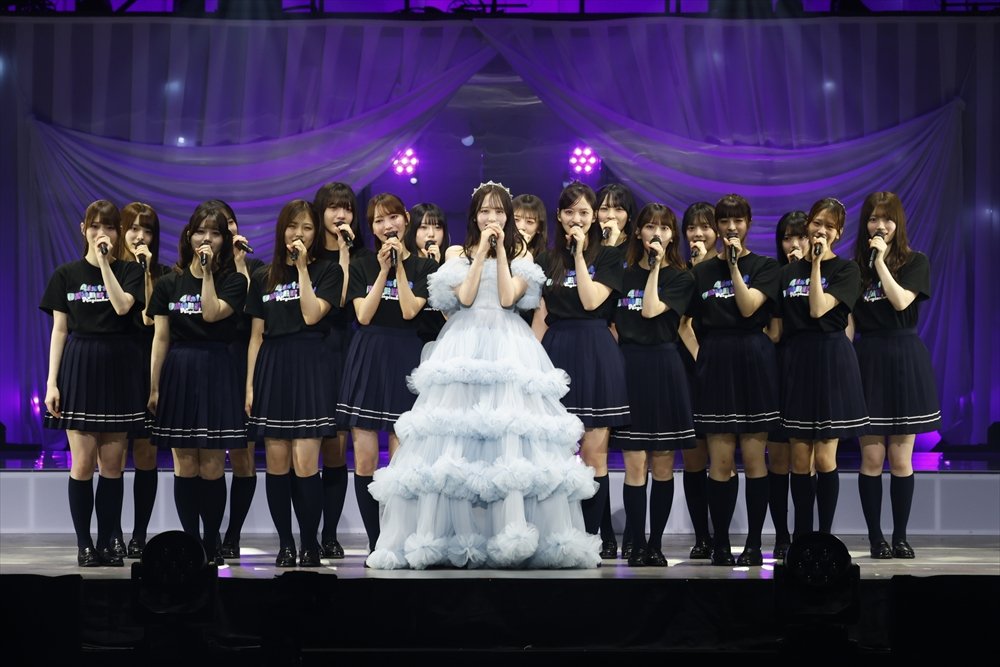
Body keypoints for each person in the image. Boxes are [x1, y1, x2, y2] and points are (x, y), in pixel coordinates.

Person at [366, 180, 601, 569]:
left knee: (508, 440)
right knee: (455, 441)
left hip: (508, 344)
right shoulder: (456, 252)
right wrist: (479, 256)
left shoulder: (522, 253)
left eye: (498, 211)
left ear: (507, 217)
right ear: (474, 215)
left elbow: (508, 299)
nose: (492, 217)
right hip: (464, 343)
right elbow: (465, 297)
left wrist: (502, 251)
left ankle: (508, 536)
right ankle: (449, 537)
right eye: (485, 211)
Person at [41, 200, 146, 567]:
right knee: (83, 464)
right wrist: (52, 382)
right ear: (83, 229)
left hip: (118, 367)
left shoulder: (129, 271)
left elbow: (122, 307)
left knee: (113, 465)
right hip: (80, 364)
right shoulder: (65, 275)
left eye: (110, 227)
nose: (103, 232)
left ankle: (108, 540)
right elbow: (59, 330)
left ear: (118, 232)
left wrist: (104, 264)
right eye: (96, 226)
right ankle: (85, 544)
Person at [336, 193, 438, 554]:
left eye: (392, 217)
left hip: (405, 356)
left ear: (406, 219)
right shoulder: (363, 263)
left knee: (400, 461)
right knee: (364, 458)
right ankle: (375, 542)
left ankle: (398, 540)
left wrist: (399, 268)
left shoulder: (425, 267)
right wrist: (383, 270)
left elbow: (410, 310)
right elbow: (363, 315)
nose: (387, 225)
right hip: (368, 356)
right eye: (378, 221)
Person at [148, 204, 248, 565]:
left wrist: (206, 274)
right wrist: (154, 387)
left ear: (224, 240)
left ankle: (211, 540)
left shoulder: (235, 282)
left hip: (217, 368)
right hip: (180, 369)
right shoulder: (168, 283)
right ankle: (190, 542)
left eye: (215, 233)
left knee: (212, 466)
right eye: (201, 232)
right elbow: (160, 337)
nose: (207, 239)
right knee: (185, 464)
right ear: (189, 236)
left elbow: (210, 313)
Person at [684, 194, 781, 566]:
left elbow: (747, 306)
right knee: (720, 462)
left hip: (754, 361)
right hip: (716, 362)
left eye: (738, 220)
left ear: (749, 224)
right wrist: (702, 357)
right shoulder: (701, 272)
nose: (731, 227)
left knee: (755, 459)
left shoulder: (765, 267)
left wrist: (736, 266)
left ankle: (754, 544)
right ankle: (720, 543)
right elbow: (684, 324)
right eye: (724, 221)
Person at [246, 199, 342, 567]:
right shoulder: (263, 276)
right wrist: (250, 386)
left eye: (306, 227)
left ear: (315, 233)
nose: (298, 234)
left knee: (305, 464)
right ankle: (285, 544)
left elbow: (312, 314)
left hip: (310, 366)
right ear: (281, 230)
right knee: (276, 463)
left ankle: (309, 543)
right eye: (292, 226)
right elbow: (256, 336)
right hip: (273, 367)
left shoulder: (328, 271)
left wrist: (302, 268)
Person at [532, 181, 629, 543]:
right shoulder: (546, 260)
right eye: (570, 212)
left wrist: (578, 256)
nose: (577, 219)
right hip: (557, 350)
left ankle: (589, 538)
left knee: (594, 454)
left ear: (594, 217)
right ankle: (557, 534)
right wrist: (531, 364)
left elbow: (591, 301)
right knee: (554, 452)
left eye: (584, 212)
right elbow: (541, 316)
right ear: (559, 216)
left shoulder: (609, 256)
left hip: (595, 350)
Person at [773, 197, 868, 542]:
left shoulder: (847, 271)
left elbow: (817, 309)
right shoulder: (785, 273)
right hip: (798, 360)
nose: (821, 230)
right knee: (800, 459)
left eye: (829, 226)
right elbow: (778, 327)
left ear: (838, 233)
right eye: (817, 223)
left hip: (831, 360)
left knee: (826, 458)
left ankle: (824, 538)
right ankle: (801, 539)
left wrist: (814, 265)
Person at [851, 191, 940, 559]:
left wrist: (881, 263)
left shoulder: (915, 261)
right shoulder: (854, 269)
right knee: (872, 459)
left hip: (904, 358)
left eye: (887, 219)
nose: (880, 225)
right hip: (868, 360)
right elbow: (850, 325)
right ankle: (876, 538)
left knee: (901, 460)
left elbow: (902, 301)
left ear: (898, 223)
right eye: (873, 218)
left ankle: (900, 536)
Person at [610, 203, 696, 567]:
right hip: (629, 368)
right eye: (649, 226)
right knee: (634, 465)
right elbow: (610, 322)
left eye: (663, 227)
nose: (656, 233)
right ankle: (635, 540)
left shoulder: (681, 278)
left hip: (664, 368)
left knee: (662, 465)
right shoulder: (622, 274)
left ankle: (655, 544)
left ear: (672, 236)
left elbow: (649, 310)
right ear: (638, 232)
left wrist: (657, 266)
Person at [201, 200, 266, 561]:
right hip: (210, 360)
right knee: (206, 455)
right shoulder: (201, 267)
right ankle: (206, 534)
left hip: (243, 358)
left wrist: (241, 264)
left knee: (243, 454)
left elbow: (252, 312)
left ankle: (233, 533)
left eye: (228, 224)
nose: (223, 232)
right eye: (213, 227)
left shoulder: (254, 267)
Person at [312, 182, 369, 560]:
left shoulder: (363, 257)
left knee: (336, 450)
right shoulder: (306, 255)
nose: (340, 214)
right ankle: (304, 533)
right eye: (333, 207)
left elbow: (346, 300)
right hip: (311, 352)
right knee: (304, 448)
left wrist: (347, 253)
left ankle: (330, 534)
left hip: (346, 352)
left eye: (347, 207)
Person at [110, 202, 169, 560]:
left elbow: (151, 319)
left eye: (147, 230)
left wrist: (147, 272)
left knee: (146, 453)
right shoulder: (108, 270)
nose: (140, 236)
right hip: (115, 367)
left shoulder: (162, 274)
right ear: (121, 230)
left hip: (148, 367)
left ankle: (140, 535)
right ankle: (114, 533)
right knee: (113, 457)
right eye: (133, 228)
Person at [764, 210, 809, 560]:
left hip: (812, 368)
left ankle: (806, 536)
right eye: (787, 238)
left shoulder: (826, 275)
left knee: (804, 461)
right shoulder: (776, 277)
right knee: (778, 459)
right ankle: (781, 535)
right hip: (780, 369)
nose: (794, 244)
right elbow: (774, 332)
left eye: (800, 236)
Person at [676, 201, 718, 559]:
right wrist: (699, 358)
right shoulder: (680, 272)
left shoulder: (727, 270)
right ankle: (702, 537)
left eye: (705, 227)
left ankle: (722, 535)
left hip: (723, 370)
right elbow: (681, 324)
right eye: (691, 228)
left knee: (723, 458)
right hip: (690, 372)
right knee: (694, 459)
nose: (698, 234)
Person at [404, 202, 450, 344]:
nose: (431, 234)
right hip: (410, 338)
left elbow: (451, 314)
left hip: (442, 339)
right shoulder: (403, 266)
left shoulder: (450, 267)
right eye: (423, 227)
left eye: (438, 227)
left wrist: (436, 269)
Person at [512, 194, 548, 327]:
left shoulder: (544, 259)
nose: (521, 227)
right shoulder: (496, 254)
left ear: (539, 228)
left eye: (530, 222)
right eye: (516, 220)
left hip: (530, 325)